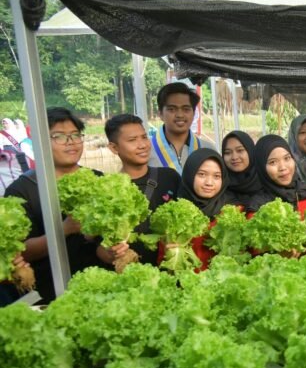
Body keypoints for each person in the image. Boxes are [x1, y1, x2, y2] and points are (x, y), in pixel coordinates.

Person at [4, 108, 124, 303]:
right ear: (41, 142)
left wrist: (112, 252)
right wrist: (64, 229)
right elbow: (19, 250)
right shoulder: (22, 191)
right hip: (49, 294)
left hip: (102, 288)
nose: (71, 142)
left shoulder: (98, 180)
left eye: (75, 135)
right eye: (59, 136)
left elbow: (106, 241)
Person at [104, 114, 180, 264]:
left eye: (144, 137)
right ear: (114, 147)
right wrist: (112, 253)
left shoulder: (169, 177)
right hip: (131, 274)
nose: (143, 145)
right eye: (132, 140)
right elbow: (100, 248)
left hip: (169, 268)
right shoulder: (109, 190)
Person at [174, 148, 237, 271]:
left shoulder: (233, 210)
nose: (209, 182)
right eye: (201, 174)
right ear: (190, 174)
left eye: (216, 176)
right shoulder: (175, 213)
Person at [248, 134, 306, 216]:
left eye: (287, 158)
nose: (283, 167)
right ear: (261, 168)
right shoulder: (257, 210)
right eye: (273, 162)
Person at [148, 82, 214, 173]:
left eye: (186, 109)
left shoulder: (208, 149)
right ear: (160, 114)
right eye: (172, 109)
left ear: (194, 113)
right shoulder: (145, 151)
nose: (180, 115)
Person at [221, 130, 262, 204]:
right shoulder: (219, 185)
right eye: (227, 153)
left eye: (240, 150)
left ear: (250, 151)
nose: (234, 157)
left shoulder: (265, 181)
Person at [0, 118, 34, 195]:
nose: (5, 124)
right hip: (7, 149)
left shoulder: (18, 132)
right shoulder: (2, 133)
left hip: (16, 153)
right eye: (3, 123)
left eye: (6, 123)